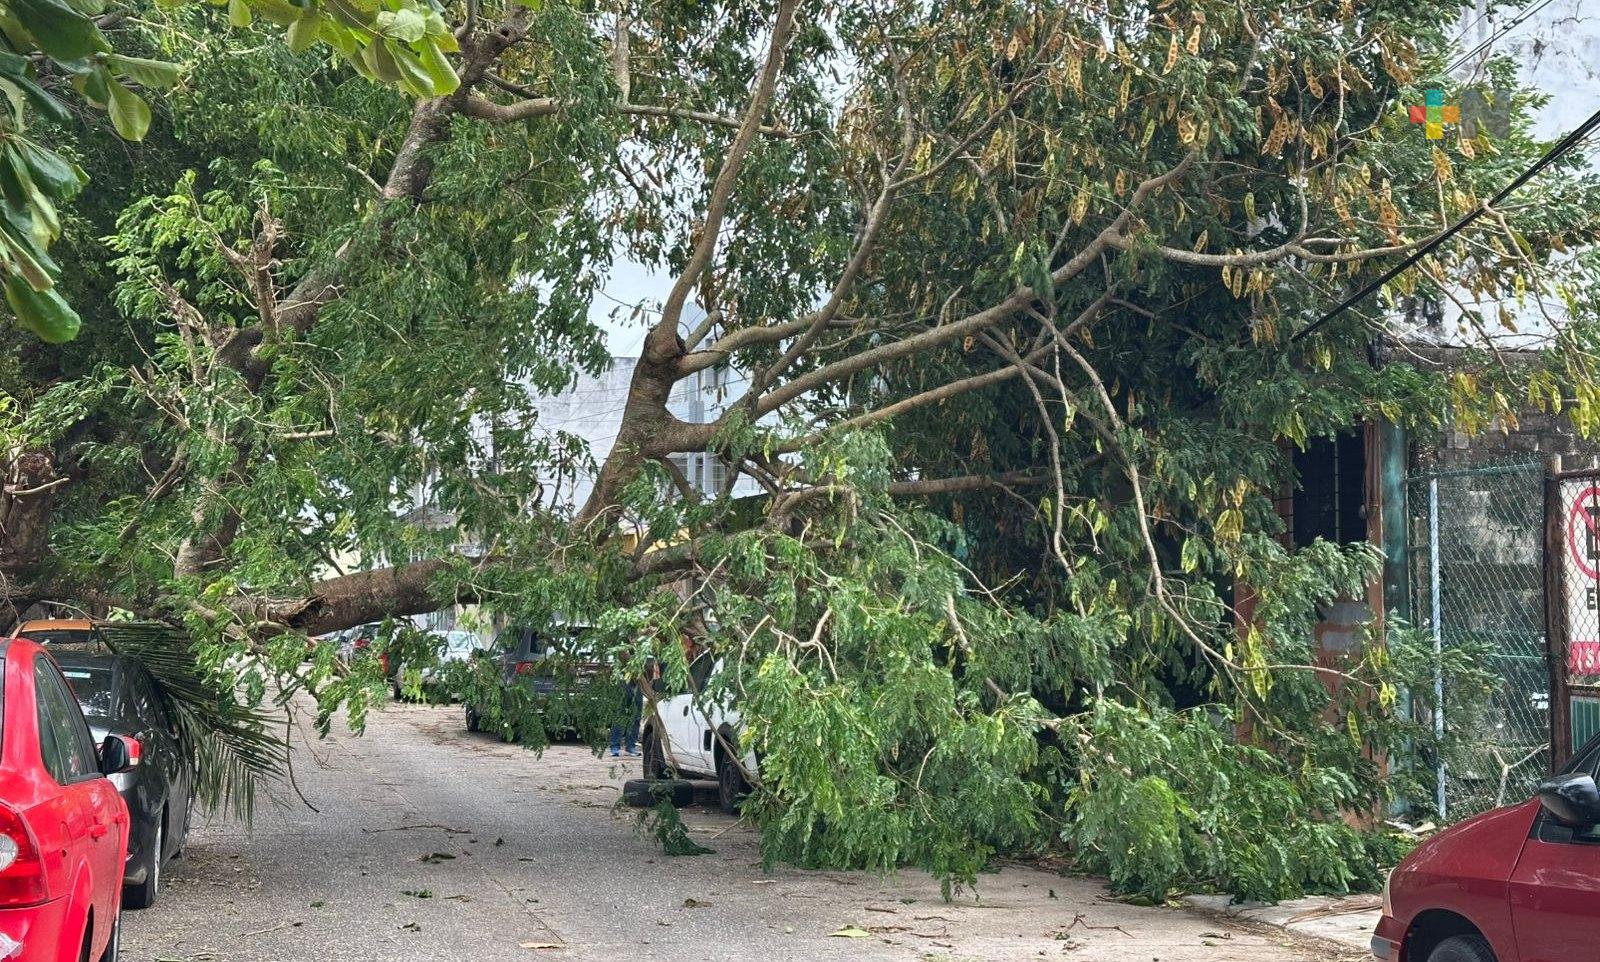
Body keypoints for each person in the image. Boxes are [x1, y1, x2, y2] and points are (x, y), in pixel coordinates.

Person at [610, 678, 642, 757]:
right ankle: (614, 747)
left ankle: (631, 746)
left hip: (639, 683)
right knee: (619, 717)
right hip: (622, 682)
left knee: (636, 718)